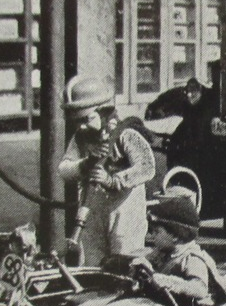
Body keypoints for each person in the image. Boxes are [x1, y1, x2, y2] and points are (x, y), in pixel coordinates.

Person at [57, 73, 155, 265]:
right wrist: (85, 164)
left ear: (103, 111)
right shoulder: (80, 138)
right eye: (77, 121)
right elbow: (64, 170)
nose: (82, 126)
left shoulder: (125, 134)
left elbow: (146, 166)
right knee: (93, 261)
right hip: (93, 211)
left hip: (125, 212)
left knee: (126, 261)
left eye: (87, 119)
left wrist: (113, 180)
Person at [130, 195, 226, 306]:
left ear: (175, 236)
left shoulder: (192, 258)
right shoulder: (163, 251)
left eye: (157, 232)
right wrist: (142, 266)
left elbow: (199, 289)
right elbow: (149, 264)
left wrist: (171, 282)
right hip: (171, 304)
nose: (152, 235)